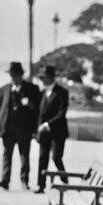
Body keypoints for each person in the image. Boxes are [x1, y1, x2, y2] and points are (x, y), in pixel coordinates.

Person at [0, 61, 40, 189]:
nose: (13, 78)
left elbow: (38, 108)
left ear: (21, 75)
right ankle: (5, 181)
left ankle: (24, 181)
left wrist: (30, 104)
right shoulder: (6, 89)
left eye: (16, 75)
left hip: (24, 129)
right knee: (7, 155)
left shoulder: (31, 88)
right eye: (11, 75)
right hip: (8, 130)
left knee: (24, 156)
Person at [34, 64, 70, 192]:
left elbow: (62, 113)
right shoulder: (42, 93)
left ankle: (64, 179)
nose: (43, 80)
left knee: (56, 157)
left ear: (51, 78)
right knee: (42, 157)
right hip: (44, 133)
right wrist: (38, 129)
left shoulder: (62, 92)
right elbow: (39, 113)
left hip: (58, 131)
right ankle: (41, 185)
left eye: (45, 78)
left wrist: (47, 124)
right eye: (42, 78)